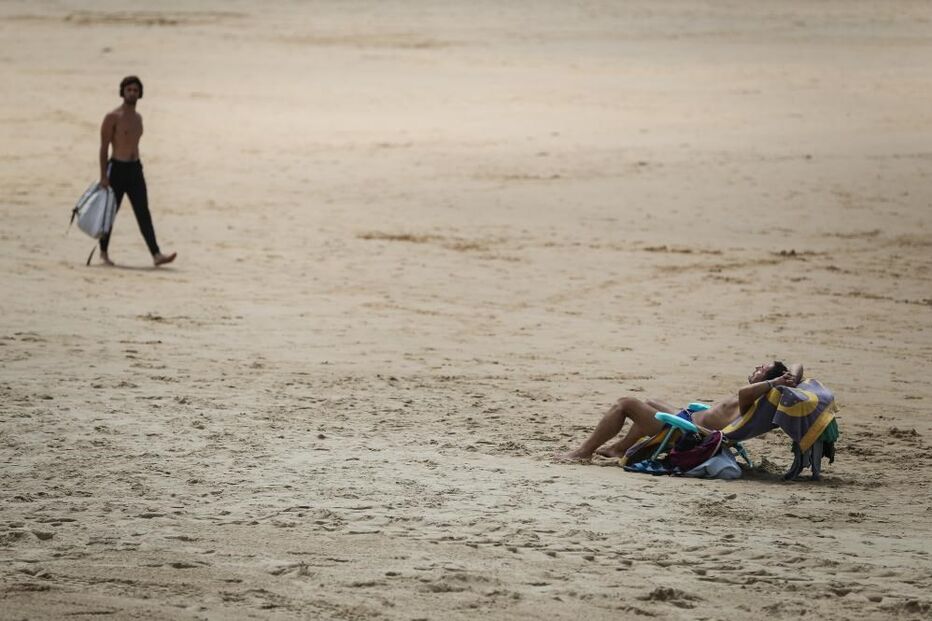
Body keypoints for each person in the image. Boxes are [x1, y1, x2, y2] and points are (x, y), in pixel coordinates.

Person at [556, 361, 803, 462]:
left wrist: (776, 382)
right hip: (687, 419)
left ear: (768, 380)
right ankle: (619, 448)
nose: (757, 367)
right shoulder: (761, 397)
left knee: (626, 403)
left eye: (763, 368)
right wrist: (788, 376)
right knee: (651, 401)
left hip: (689, 432)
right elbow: (799, 365)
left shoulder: (751, 397)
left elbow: (743, 392)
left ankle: (583, 452)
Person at [97, 75, 176, 267]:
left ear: (140, 94)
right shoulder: (112, 117)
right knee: (110, 213)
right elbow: (103, 147)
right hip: (117, 168)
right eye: (128, 90)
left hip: (135, 169)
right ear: (122, 92)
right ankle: (103, 252)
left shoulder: (138, 118)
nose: (132, 93)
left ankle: (156, 255)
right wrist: (103, 176)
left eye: (135, 90)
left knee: (143, 212)